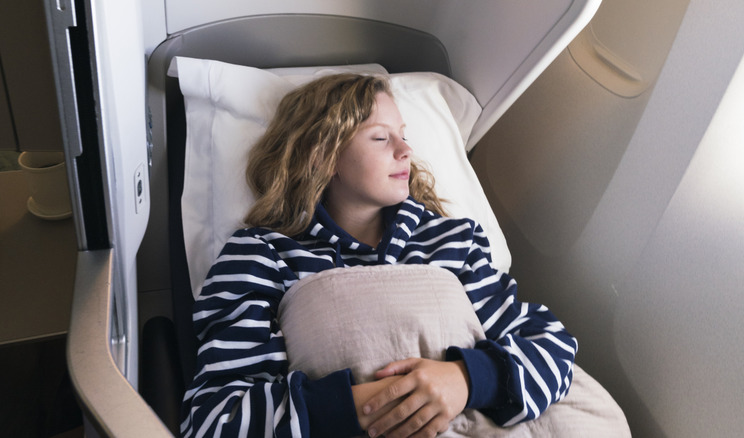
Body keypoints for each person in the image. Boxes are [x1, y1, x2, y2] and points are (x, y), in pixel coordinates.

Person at [181, 74, 578, 438]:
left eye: (403, 135)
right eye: (380, 138)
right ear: (323, 155)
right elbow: (216, 418)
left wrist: (465, 380)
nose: (406, 150)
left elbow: (551, 346)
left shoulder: (453, 241)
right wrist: (367, 405)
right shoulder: (261, 256)